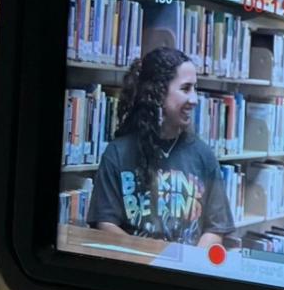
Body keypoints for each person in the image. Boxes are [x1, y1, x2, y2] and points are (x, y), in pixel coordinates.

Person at [89, 46, 234, 249]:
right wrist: (153, 258)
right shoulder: (118, 153)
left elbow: (216, 228)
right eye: (185, 89)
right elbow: (104, 224)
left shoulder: (203, 155)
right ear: (157, 93)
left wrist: (189, 265)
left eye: (195, 88)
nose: (194, 100)